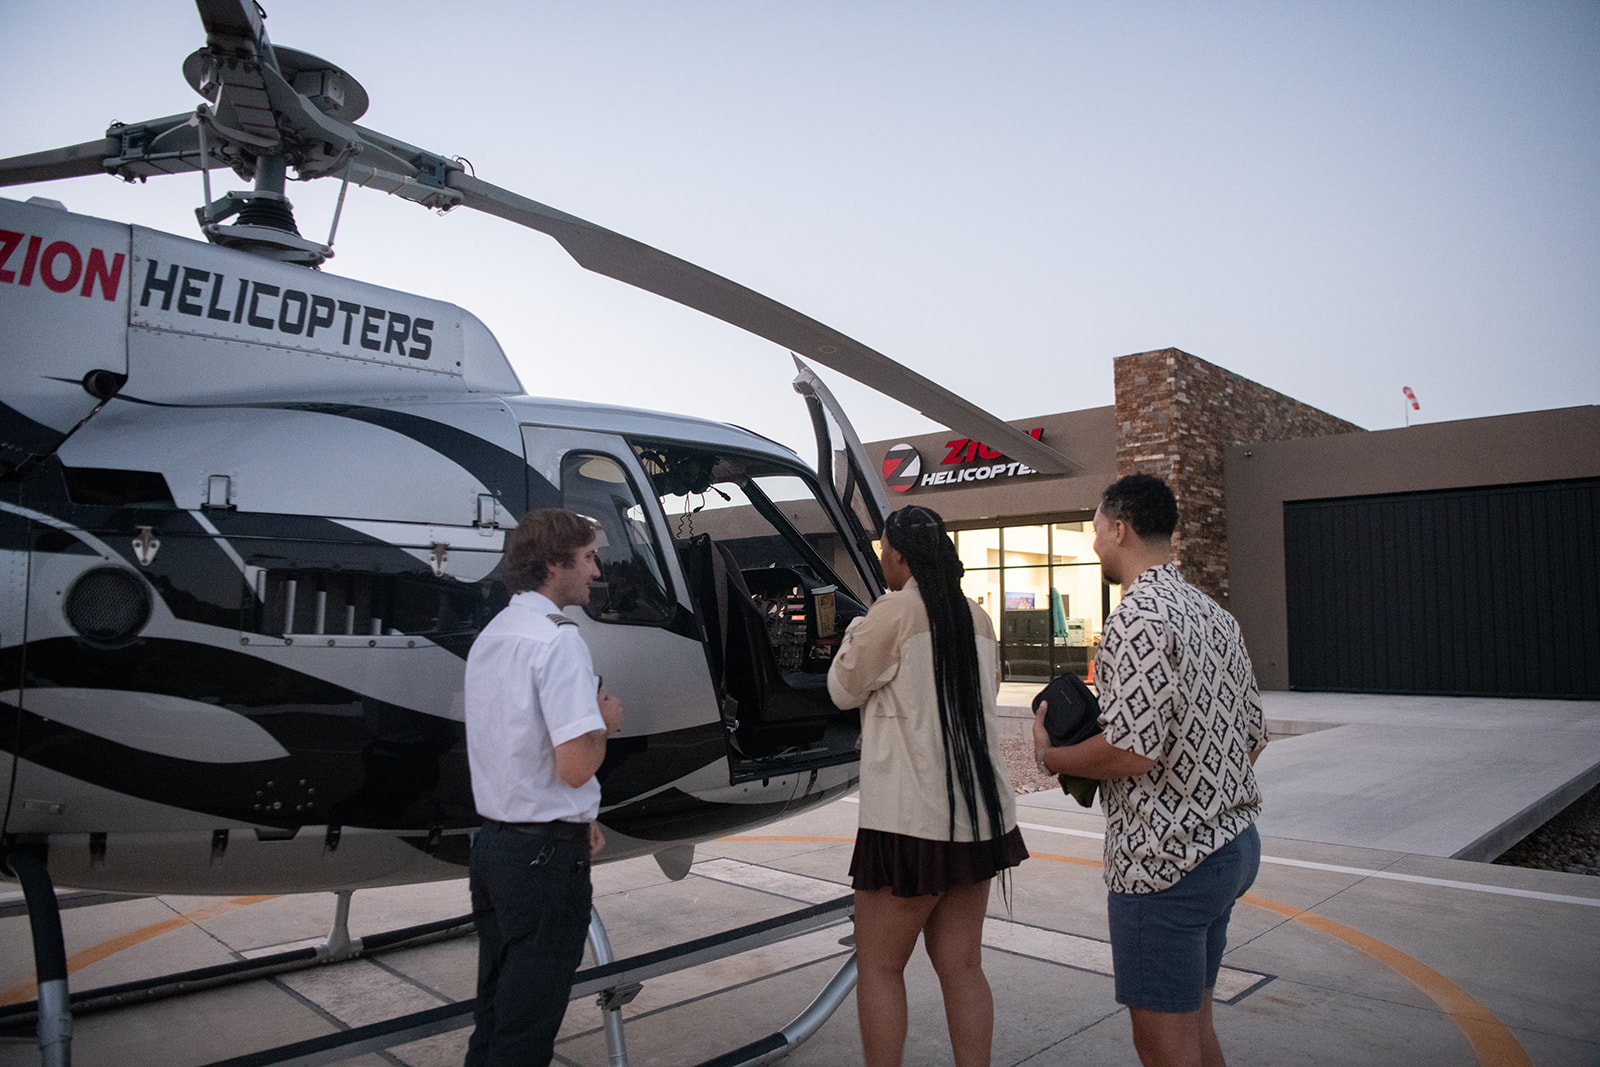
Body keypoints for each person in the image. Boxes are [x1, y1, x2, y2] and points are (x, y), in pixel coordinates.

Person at [1033, 474, 1266, 1067]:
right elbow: (1253, 736)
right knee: (1196, 1031)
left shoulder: (1136, 617)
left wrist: (1051, 754)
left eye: (1093, 531)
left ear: (1119, 528)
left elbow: (1132, 752)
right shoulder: (1214, 615)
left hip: (1165, 864)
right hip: (1230, 847)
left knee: (1164, 1048)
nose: (1093, 544)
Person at [829, 504, 1028, 1067]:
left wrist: (855, 627)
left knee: (881, 966)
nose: (881, 560)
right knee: (962, 966)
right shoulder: (978, 618)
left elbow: (843, 687)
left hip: (910, 824)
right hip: (980, 818)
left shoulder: (892, 613)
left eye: (882, 552)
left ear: (899, 555)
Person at [464, 508, 624, 1066]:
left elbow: (514, 749)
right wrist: (606, 725)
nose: (596, 571)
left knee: (496, 1013)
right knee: (528, 1027)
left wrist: (582, 817)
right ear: (554, 564)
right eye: (586, 558)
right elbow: (575, 766)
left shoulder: (496, 634)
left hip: (495, 849)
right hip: (544, 863)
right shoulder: (559, 644)